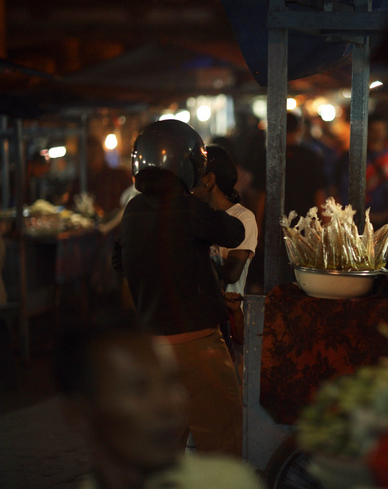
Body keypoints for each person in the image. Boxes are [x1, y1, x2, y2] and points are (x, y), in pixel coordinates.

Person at [112, 119, 245, 458]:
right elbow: (234, 233)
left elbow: (119, 262)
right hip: (198, 346)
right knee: (222, 445)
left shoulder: (133, 209)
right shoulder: (189, 209)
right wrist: (203, 199)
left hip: (152, 348)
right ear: (186, 166)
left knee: (162, 453)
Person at [53, 323, 264, 489]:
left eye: (171, 382)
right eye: (139, 389)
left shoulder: (229, 482)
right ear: (80, 415)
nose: (168, 404)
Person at [193, 144, 258, 379]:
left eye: (193, 174)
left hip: (228, 324)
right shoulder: (196, 215)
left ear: (209, 180)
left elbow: (231, 274)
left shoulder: (243, 218)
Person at [337, 113, 388, 228]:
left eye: (381, 130)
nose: (378, 134)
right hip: (367, 219)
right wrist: (357, 215)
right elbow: (345, 190)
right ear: (367, 131)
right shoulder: (354, 158)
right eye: (374, 130)